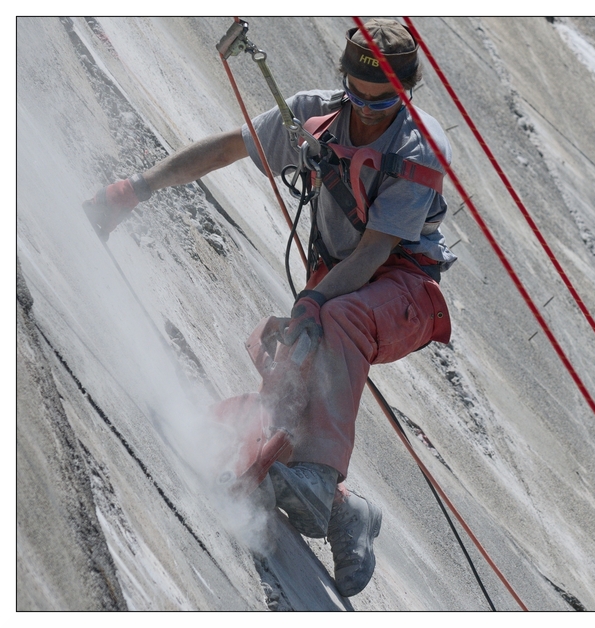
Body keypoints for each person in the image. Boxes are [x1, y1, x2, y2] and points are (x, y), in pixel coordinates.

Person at [83, 19, 455, 598]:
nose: (367, 112)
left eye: (383, 106)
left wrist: (313, 301)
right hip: (336, 286)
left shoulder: (418, 148)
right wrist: (136, 188)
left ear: (407, 93)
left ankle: (320, 476)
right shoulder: (314, 117)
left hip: (403, 291)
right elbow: (232, 147)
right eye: (357, 98)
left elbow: (377, 251)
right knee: (284, 396)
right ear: (344, 82)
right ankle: (345, 515)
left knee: (336, 320)